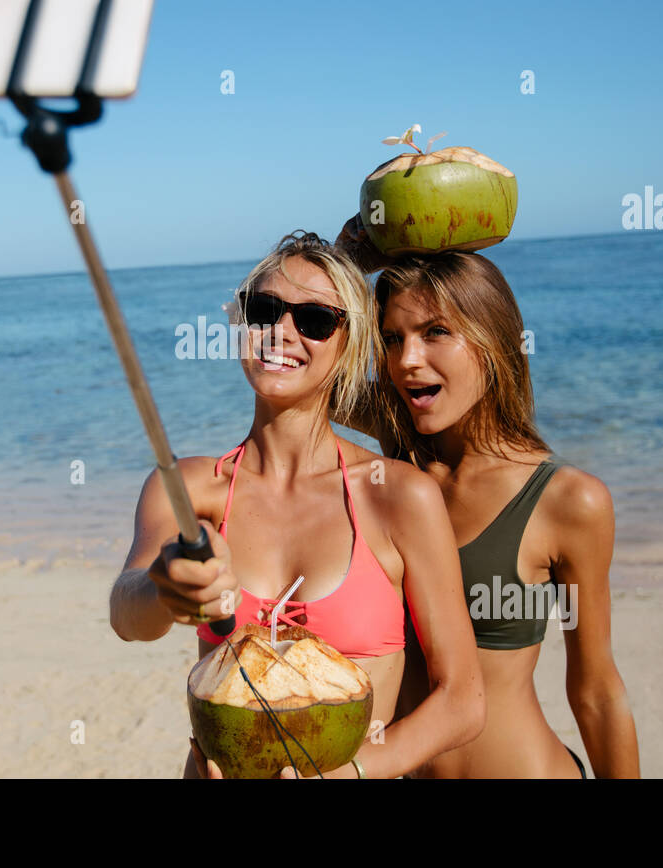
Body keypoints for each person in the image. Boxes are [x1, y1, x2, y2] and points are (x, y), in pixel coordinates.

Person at [109, 231, 484, 778]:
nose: (281, 332)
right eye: (263, 310)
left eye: (314, 320)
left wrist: (353, 773)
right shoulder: (193, 489)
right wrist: (165, 584)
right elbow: (126, 616)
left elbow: (463, 700)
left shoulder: (396, 494)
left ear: (350, 343)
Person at [335, 216, 640, 778]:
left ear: (494, 341)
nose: (406, 361)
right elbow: (284, 351)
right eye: (393, 338)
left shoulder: (570, 501)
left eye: (436, 332)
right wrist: (346, 259)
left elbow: (596, 690)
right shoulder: (399, 451)